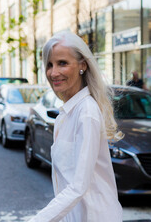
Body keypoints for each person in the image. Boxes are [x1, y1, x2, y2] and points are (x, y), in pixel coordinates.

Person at [29, 31, 123, 222]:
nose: (53, 72)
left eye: (62, 63)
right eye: (49, 65)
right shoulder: (66, 114)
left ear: (82, 65)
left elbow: (78, 186)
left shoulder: (86, 112)